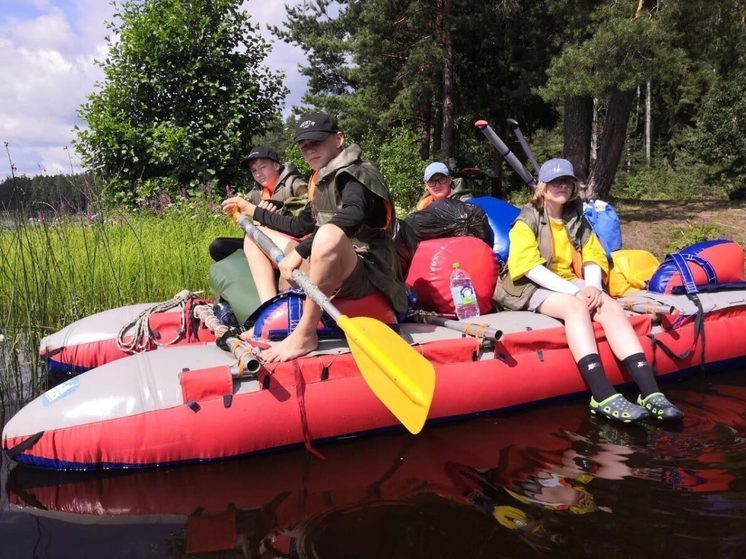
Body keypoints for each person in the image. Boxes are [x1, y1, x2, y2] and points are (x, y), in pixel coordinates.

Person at [493, 158, 683, 423]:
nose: (561, 186)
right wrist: (576, 294)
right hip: (527, 286)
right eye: (555, 181)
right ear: (542, 187)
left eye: (567, 182)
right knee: (576, 307)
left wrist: (593, 288)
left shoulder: (576, 219)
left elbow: (594, 255)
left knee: (609, 305)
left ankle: (650, 392)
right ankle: (602, 393)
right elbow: (529, 268)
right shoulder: (527, 220)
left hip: (569, 282)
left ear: (573, 188)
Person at [222, 112, 407, 362]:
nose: (309, 151)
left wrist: (300, 252)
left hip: (368, 272)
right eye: (304, 146)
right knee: (254, 236)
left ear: (338, 139)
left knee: (328, 233)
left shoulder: (359, 174)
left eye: (316, 142)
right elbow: (299, 226)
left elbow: (354, 214)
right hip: (330, 260)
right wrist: (251, 210)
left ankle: (305, 334)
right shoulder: (319, 180)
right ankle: (271, 313)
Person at [210, 145, 308, 261]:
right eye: (254, 170)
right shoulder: (254, 193)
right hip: (264, 241)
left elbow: (307, 220)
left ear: (276, 165)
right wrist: (234, 211)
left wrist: (278, 209)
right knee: (218, 246)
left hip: (291, 242)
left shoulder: (295, 184)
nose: (258, 174)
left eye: (262, 167)